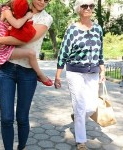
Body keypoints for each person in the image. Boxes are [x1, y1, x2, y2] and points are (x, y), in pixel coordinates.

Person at [0, 0, 53, 150]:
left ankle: (21, 147)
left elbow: (27, 37)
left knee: (22, 118)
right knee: (6, 118)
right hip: (7, 68)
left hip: (28, 72)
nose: (43, 1)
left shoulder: (46, 18)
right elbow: (3, 27)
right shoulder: (18, 8)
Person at [54, 0, 105, 149]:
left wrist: (102, 69)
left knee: (92, 107)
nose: (88, 8)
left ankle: (78, 116)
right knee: (80, 106)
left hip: (93, 72)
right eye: (84, 5)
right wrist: (57, 75)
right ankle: (81, 141)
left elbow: (100, 52)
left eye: (91, 6)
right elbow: (63, 53)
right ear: (78, 9)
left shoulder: (98, 29)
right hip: (75, 72)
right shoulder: (72, 29)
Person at [0, 0, 52, 86]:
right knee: (4, 100)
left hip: (27, 69)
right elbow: (6, 28)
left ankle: (40, 75)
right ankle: (41, 75)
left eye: (46, 0)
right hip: (8, 65)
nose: (42, 2)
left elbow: (26, 39)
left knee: (31, 53)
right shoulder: (20, 9)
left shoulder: (46, 18)